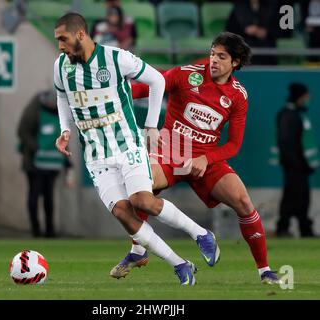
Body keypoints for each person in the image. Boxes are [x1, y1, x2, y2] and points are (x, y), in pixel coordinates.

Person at [53, 12, 221, 285]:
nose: (60, 45)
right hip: (96, 156)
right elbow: (62, 96)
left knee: (142, 201)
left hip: (127, 145)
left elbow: (158, 80)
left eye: (63, 39)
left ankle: (200, 234)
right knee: (122, 212)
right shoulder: (61, 66)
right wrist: (65, 129)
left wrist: (151, 126)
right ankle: (179, 263)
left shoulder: (116, 58)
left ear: (81, 34)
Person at [110, 32, 281, 285]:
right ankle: (139, 250)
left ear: (235, 63)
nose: (213, 60)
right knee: (141, 188)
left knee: (244, 202)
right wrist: (112, 96)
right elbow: (148, 87)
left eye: (221, 57)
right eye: (212, 53)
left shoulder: (237, 96)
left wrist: (207, 159)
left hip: (205, 158)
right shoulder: (187, 73)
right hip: (169, 149)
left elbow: (234, 144)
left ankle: (265, 270)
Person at [18, 90, 74, 238]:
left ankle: (50, 231)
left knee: (49, 196)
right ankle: (35, 230)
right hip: (33, 163)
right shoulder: (34, 111)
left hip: (53, 164)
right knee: (34, 194)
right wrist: (37, 148)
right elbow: (23, 132)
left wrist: (67, 160)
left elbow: (62, 139)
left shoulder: (58, 115)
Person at [276, 83, 318, 237]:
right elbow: (286, 142)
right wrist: (297, 164)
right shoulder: (289, 115)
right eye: (306, 97)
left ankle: (303, 228)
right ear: (300, 97)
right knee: (292, 197)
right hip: (294, 166)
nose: (307, 100)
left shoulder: (295, 114)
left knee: (301, 197)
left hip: (299, 166)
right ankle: (284, 228)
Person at [226, 0, 279, 65]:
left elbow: (280, 30)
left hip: (266, 48)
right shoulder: (239, 8)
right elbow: (230, 31)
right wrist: (245, 30)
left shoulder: (271, 7)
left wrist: (265, 33)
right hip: (245, 48)